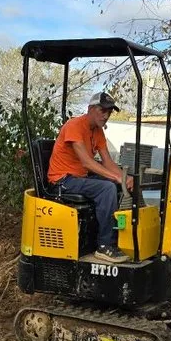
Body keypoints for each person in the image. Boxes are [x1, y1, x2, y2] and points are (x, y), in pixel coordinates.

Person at [47, 91, 132, 263]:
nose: (106, 115)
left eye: (109, 112)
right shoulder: (74, 126)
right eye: (103, 111)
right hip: (62, 181)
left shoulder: (98, 132)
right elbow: (86, 162)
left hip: (79, 178)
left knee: (115, 185)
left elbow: (107, 162)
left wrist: (125, 178)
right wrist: (115, 178)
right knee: (107, 187)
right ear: (91, 109)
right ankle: (104, 246)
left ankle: (119, 237)